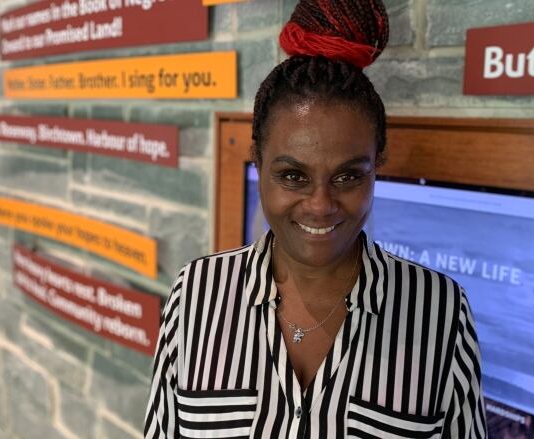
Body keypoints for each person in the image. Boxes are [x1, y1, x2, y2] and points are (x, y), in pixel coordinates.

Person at [144, 0, 487, 437]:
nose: (320, 205)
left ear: (377, 165)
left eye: (348, 176)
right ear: (257, 164)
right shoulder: (195, 296)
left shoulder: (440, 312)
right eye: (292, 176)